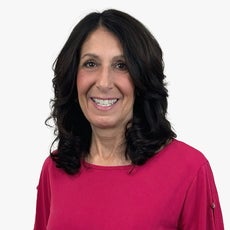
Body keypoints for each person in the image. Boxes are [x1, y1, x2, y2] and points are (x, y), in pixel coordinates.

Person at [33, 9, 224, 230]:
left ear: (142, 79)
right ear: (73, 77)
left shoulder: (189, 170)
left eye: (121, 65)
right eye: (91, 64)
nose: (104, 82)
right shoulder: (54, 169)